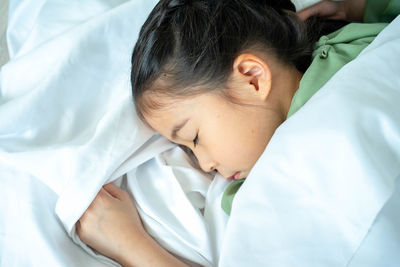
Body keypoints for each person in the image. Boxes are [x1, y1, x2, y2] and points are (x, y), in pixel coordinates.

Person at [76, 0, 399, 266]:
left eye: (195, 137)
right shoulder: (355, 41)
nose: (203, 165)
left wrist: (130, 246)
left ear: (252, 78)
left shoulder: (287, 178)